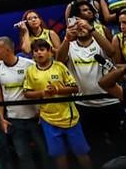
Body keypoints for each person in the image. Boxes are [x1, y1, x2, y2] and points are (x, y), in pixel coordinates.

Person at [55, 19, 121, 165]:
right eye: (76, 26)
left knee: (119, 142)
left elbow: (111, 52)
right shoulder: (70, 46)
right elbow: (59, 61)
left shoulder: (99, 41)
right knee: (95, 147)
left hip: (110, 101)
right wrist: (66, 38)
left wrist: (91, 30)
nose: (80, 28)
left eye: (82, 25)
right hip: (85, 105)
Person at [22, 39, 91, 169]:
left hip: (69, 118)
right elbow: (27, 93)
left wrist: (57, 90)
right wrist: (42, 92)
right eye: (35, 51)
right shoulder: (30, 71)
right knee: (59, 154)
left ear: (49, 52)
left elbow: (75, 88)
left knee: (81, 152)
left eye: (42, 50)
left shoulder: (59, 66)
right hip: (48, 119)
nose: (39, 53)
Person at [0, 37, 48, 169]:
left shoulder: (29, 65)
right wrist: (1, 118)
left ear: (8, 50)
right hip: (14, 119)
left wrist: (41, 110)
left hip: (35, 117)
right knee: (23, 155)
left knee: (44, 152)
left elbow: (40, 88)